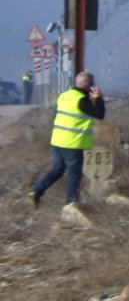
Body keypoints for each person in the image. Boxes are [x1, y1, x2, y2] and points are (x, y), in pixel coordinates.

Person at [31, 71, 106, 207]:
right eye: (92, 84)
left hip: (58, 141)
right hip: (73, 143)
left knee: (57, 170)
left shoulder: (64, 96)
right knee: (74, 174)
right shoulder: (81, 100)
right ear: (88, 85)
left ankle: (37, 190)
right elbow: (99, 114)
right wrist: (98, 99)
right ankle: (71, 205)